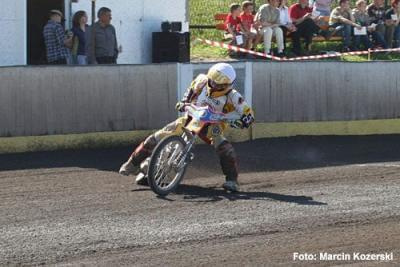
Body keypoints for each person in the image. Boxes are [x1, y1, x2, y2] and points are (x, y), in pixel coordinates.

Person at [119, 63, 255, 192]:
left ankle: (232, 180)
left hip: (214, 124)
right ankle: (132, 164)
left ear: (227, 85)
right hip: (192, 117)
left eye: (217, 84)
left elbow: (248, 115)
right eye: (211, 81)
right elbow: (188, 93)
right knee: (158, 136)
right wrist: (183, 103)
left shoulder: (234, 97)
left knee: (225, 148)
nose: (212, 85)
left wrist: (241, 121)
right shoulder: (201, 80)